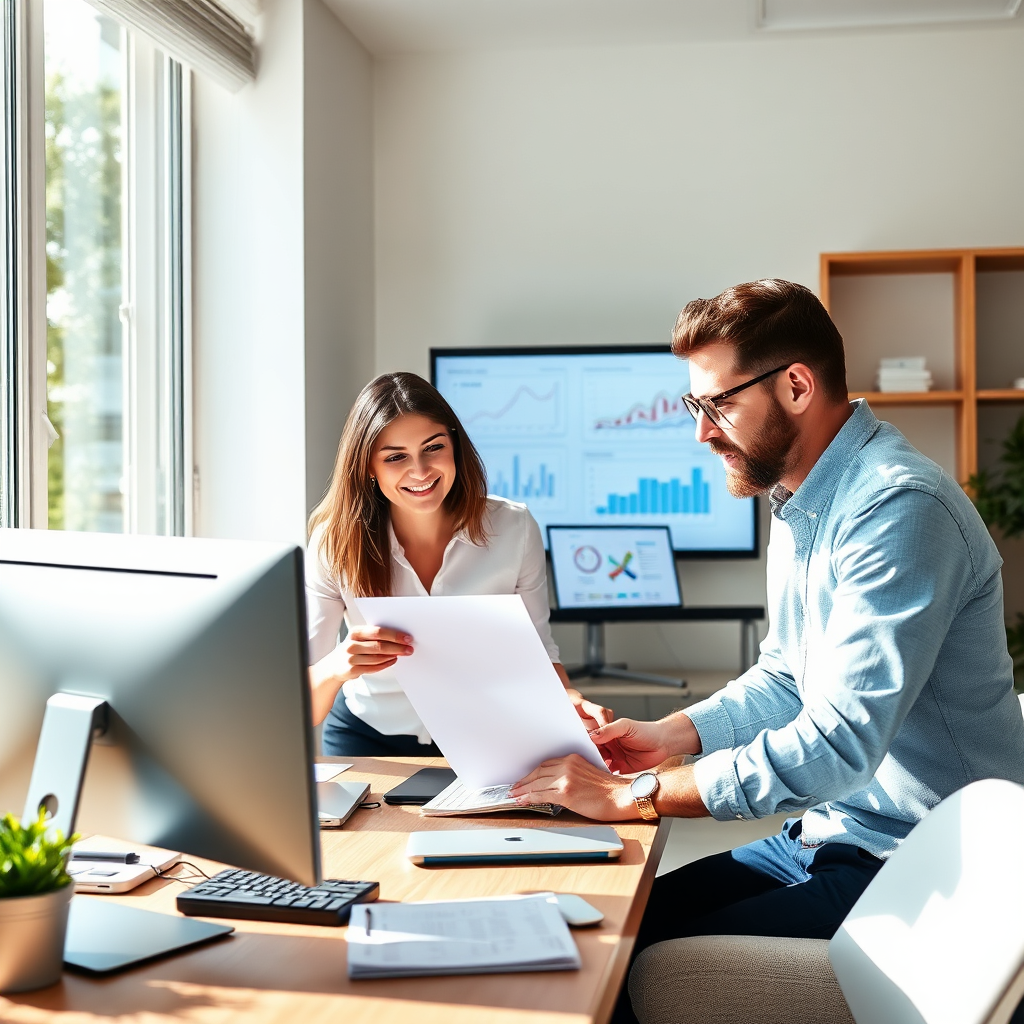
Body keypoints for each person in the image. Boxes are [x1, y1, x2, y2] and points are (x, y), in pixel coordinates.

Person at [508, 279, 1024, 1022]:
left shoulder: (899, 509)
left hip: (916, 865)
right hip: (828, 835)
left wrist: (638, 795)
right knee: (595, 924)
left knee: (616, 963)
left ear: (795, 385)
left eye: (718, 405)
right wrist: (664, 738)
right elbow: (789, 676)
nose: (702, 433)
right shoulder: (801, 500)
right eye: (696, 406)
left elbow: (839, 741)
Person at [306, 371, 611, 757]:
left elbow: (540, 654)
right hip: (366, 736)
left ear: (454, 445)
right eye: (396, 457)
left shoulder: (514, 528)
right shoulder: (334, 542)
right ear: (368, 466)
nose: (420, 471)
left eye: (433, 448)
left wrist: (570, 702)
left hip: (488, 736)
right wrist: (338, 665)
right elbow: (307, 708)